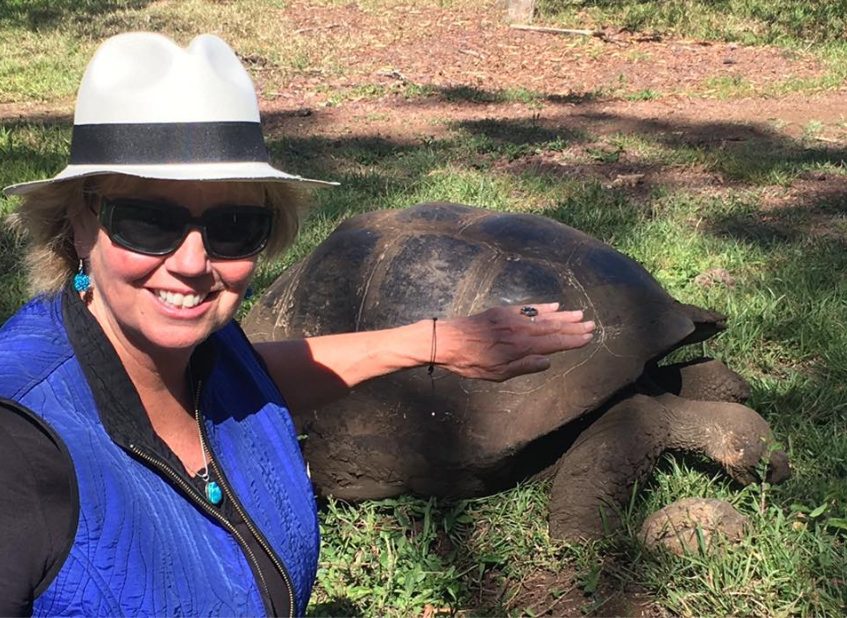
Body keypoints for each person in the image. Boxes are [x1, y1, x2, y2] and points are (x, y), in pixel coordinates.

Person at [0, 32, 594, 616]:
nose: (192, 264)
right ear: (78, 224)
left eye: (234, 226)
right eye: (147, 222)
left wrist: (435, 340)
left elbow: (254, 378)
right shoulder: (18, 438)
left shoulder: (203, 352)